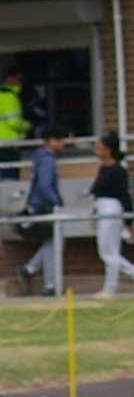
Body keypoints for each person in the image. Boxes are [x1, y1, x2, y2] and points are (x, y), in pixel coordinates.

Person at [88, 133, 134, 299]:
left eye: (100, 146)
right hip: (102, 208)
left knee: (108, 252)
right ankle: (126, 280)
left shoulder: (117, 171)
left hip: (111, 209)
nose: (97, 149)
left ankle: (122, 282)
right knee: (109, 251)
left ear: (108, 149)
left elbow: (125, 196)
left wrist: (129, 222)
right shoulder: (104, 168)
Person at [16, 126, 66, 296]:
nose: (63, 144)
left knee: (52, 242)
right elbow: (45, 185)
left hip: (39, 205)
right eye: (60, 140)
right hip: (44, 206)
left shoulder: (40, 157)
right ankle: (50, 284)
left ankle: (30, 269)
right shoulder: (47, 159)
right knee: (55, 242)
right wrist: (56, 201)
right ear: (51, 141)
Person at [0, 66, 28, 182]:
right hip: (8, 144)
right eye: (18, 79)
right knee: (9, 180)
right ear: (10, 79)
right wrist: (27, 126)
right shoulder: (9, 97)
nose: (20, 82)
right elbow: (14, 122)